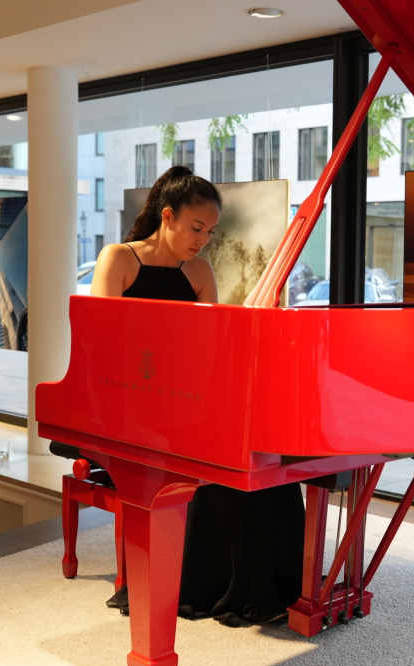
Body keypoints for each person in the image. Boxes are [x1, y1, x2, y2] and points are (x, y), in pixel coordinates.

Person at [90, 166, 305, 627]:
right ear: (167, 216)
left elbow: (211, 346)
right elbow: (104, 345)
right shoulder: (119, 258)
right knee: (219, 454)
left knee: (262, 453)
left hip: (185, 396)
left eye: (210, 231)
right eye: (196, 227)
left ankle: (263, 584)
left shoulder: (199, 270)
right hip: (134, 399)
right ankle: (206, 581)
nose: (203, 239)